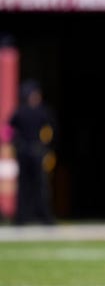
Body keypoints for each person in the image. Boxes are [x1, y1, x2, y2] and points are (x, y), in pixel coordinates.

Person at [9, 80, 57, 225]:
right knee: (28, 186)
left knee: (39, 186)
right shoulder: (24, 112)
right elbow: (7, 131)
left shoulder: (38, 111)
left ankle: (41, 217)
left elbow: (51, 131)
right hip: (30, 152)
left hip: (33, 152)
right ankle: (24, 218)